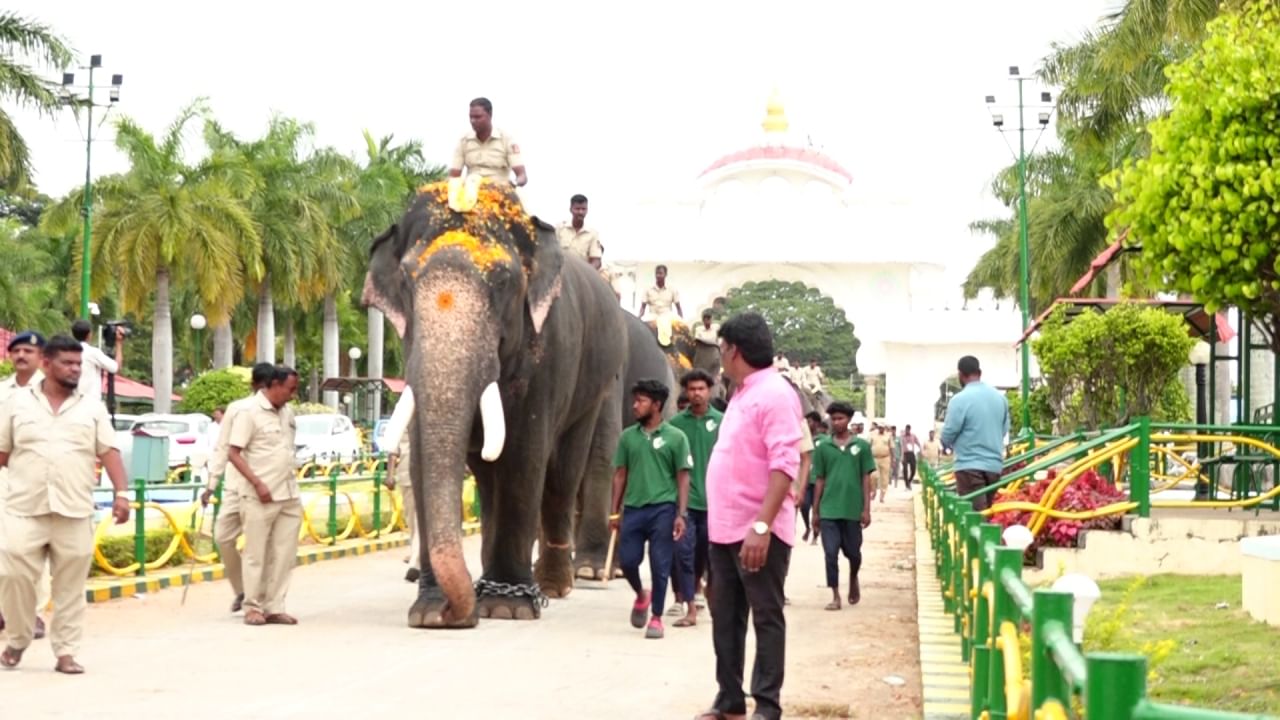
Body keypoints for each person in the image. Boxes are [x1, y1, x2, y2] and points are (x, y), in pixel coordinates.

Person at [0, 335, 131, 673]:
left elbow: (109, 451)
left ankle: (66, 652)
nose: (75, 369)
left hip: (73, 510)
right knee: (12, 574)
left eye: (78, 364)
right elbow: (2, 452)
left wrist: (122, 494)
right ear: (47, 364)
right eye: (68, 363)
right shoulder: (15, 403)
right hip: (24, 508)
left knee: (70, 588)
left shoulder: (91, 406)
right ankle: (17, 638)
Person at [696, 312, 802, 720]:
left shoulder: (774, 393)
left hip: (759, 531)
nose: (720, 357)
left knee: (765, 616)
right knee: (725, 617)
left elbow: (784, 465)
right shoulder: (741, 393)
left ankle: (768, 705)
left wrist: (761, 525)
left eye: (721, 349)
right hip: (724, 531)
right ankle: (729, 698)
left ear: (733, 350)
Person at [610, 379, 691, 640]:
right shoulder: (627, 437)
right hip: (633, 509)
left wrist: (681, 513)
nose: (635, 406)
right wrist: (614, 512)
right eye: (635, 400)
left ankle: (656, 617)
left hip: (663, 510)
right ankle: (641, 594)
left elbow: (682, 477)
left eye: (641, 401)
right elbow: (620, 475)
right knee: (628, 561)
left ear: (656, 405)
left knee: (660, 564)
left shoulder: (676, 438)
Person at [228, 366, 301, 626]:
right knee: (255, 553)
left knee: (284, 554)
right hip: (260, 494)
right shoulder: (249, 412)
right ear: (273, 384)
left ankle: (275, 605)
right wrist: (257, 483)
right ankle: (252, 607)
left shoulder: (288, 412)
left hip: (289, 493)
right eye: (290, 389)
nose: (293, 395)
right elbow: (233, 453)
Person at [201, 362, 275, 613]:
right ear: (254, 386)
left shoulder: (281, 410)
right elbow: (223, 447)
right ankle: (243, 588)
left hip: (265, 487)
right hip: (236, 485)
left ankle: (259, 596)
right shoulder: (238, 409)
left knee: (261, 545)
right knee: (223, 536)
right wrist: (211, 483)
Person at [0, 331, 52, 640]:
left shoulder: (53, 392)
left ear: (42, 357)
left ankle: (34, 612)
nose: (21, 356)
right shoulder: (1, 391)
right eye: (16, 350)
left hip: (36, 480)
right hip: (4, 476)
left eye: (28, 351)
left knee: (32, 548)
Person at [668, 369, 723, 628]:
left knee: (710, 557)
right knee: (683, 555)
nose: (697, 393)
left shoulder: (723, 422)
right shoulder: (675, 426)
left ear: (709, 390)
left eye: (701, 388)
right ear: (686, 392)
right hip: (685, 504)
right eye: (692, 389)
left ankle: (711, 599)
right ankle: (689, 608)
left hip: (716, 504)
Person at [812, 403, 873, 611]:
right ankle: (835, 595)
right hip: (829, 509)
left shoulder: (862, 447)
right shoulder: (823, 448)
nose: (836, 422)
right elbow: (819, 479)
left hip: (851, 509)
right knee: (830, 553)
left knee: (854, 553)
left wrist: (866, 508)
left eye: (840, 418)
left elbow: (866, 478)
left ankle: (853, 576)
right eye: (833, 419)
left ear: (849, 420)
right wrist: (816, 511)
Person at [941, 356, 1010, 511]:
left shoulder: (959, 400)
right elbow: (1003, 430)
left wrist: (947, 445)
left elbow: (948, 433)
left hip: (968, 467)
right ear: (980, 372)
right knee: (986, 513)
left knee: (974, 518)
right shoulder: (1000, 399)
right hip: (994, 467)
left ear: (960, 375)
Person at [379, 385, 421, 583]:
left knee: (425, 518)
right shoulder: (402, 418)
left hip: (430, 475)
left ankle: (417, 560)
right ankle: (415, 552)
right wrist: (390, 475)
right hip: (407, 474)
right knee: (411, 517)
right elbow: (393, 450)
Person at [449, 97, 527, 188]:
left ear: (490, 114)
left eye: (478, 117)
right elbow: (454, 176)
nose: (473, 121)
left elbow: (522, 176)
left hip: (500, 193)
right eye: (471, 117)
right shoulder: (464, 141)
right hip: (471, 194)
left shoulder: (506, 139)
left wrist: (514, 183)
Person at [69, 319, 123, 406]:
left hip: (70, 403)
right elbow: (116, 367)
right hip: (89, 404)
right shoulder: (92, 353)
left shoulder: (66, 352)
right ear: (89, 335)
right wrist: (119, 343)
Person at [799, 411, 828, 545]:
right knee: (804, 506)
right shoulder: (802, 437)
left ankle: (816, 534)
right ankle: (807, 527)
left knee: (817, 508)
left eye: (810, 421)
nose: (808, 424)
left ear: (816, 423)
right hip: (806, 479)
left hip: (818, 479)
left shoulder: (823, 440)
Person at [639, 265, 683, 347]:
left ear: (665, 275)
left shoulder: (672, 289)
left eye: (661, 273)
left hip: (667, 314)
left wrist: (682, 319)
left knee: (680, 328)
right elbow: (642, 307)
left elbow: (678, 308)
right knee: (641, 327)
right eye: (657, 273)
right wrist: (638, 318)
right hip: (652, 314)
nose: (658, 275)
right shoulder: (648, 289)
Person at [556, 194, 603, 269]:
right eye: (577, 209)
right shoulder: (559, 228)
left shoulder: (593, 233)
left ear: (587, 210)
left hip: (582, 275)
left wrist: (587, 272)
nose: (580, 212)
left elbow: (596, 260)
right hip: (561, 272)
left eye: (583, 209)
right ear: (571, 209)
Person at [869, 423, 893, 504]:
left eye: (882, 428)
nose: (881, 429)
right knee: (873, 476)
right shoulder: (873, 434)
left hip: (885, 458)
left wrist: (892, 460)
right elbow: (869, 446)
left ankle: (882, 495)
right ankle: (874, 491)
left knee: (884, 478)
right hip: (874, 458)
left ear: (884, 428)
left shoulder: (888, 435)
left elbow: (891, 448)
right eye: (879, 427)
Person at [901, 424, 921, 489]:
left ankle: (909, 481)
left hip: (911, 453)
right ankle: (907, 484)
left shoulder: (913, 436)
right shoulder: (902, 437)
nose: (907, 431)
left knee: (913, 469)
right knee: (905, 470)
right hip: (905, 454)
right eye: (906, 429)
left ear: (910, 430)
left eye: (908, 430)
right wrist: (901, 456)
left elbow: (918, 442)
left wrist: (920, 449)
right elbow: (900, 446)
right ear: (905, 429)